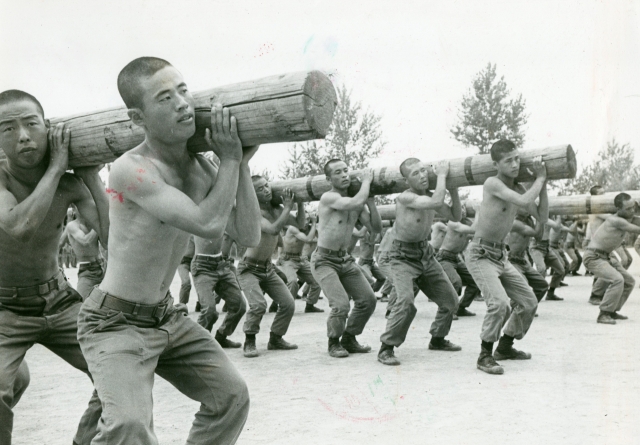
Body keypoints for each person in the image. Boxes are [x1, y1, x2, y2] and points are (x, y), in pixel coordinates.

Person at [77, 57, 260, 444]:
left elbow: (247, 235)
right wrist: (228, 158)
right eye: (164, 97)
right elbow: (207, 224)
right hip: (115, 321)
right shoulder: (131, 168)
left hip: (166, 316)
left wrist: (239, 165)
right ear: (137, 118)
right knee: (129, 427)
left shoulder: (199, 169)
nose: (182, 103)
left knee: (231, 397)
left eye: (183, 90)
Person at [0, 89, 108, 444]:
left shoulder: (70, 183)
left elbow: (111, 237)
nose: (24, 136)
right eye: (7, 129)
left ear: (47, 128)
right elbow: (18, 227)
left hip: (58, 299)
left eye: (31, 124)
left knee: (118, 371)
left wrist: (90, 178)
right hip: (4, 309)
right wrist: (58, 168)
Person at [465, 139, 548, 375]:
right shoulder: (493, 183)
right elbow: (523, 202)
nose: (514, 164)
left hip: (501, 256)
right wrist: (539, 179)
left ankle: (505, 346)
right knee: (499, 303)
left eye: (517, 158)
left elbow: (541, 215)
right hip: (480, 253)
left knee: (529, 301)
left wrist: (544, 184)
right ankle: (484, 355)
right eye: (508, 160)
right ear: (496, 164)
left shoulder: (520, 188)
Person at [378, 158, 462, 366]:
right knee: (405, 301)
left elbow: (455, 216)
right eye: (415, 173)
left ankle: (438, 339)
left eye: (423, 171)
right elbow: (435, 203)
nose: (423, 175)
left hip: (425, 254)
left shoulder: (432, 196)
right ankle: (386, 348)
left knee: (451, 301)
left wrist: (454, 191)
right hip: (401, 256)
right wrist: (442, 175)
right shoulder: (406, 197)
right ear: (406, 180)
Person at [311, 160, 381, 358]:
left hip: (345, 260)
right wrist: (366, 182)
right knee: (341, 305)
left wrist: (372, 203)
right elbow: (353, 202)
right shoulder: (329, 197)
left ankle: (349, 338)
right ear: (328, 179)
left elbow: (376, 228)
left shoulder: (357, 203)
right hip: (324, 260)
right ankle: (333, 342)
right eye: (338, 172)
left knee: (368, 300)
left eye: (345, 171)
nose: (344, 175)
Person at [238, 179, 304, 357]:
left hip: (268, 268)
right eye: (260, 189)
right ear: (253, 194)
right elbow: (274, 229)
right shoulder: (254, 212)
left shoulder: (276, 210)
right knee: (258, 305)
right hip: (249, 268)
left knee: (288, 303)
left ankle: (276, 339)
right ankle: (249, 341)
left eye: (267, 186)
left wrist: (300, 202)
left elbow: (300, 224)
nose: (266, 190)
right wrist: (288, 207)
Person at [582, 193, 640, 324]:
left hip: (606, 256)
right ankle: (603, 314)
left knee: (629, 281)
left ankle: (612, 310)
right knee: (617, 280)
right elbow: (637, 228)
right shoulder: (616, 220)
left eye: (633, 208)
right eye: (628, 209)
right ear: (618, 209)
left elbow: (637, 219)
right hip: (593, 257)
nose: (632, 211)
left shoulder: (627, 217)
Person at [434, 216, 480, 317]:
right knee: (455, 282)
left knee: (476, 281)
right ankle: (448, 310)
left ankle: (461, 308)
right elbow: (474, 229)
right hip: (444, 257)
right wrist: (478, 211)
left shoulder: (465, 226)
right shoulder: (453, 223)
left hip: (457, 258)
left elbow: (478, 231)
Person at [279, 214, 324, 313]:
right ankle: (286, 307)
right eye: (304, 219)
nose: (306, 222)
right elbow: (308, 239)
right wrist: (313, 224)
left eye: (308, 219)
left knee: (317, 280)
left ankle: (310, 305)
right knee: (292, 282)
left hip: (300, 259)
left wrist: (316, 224)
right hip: (288, 259)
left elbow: (322, 237)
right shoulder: (292, 228)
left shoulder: (308, 229)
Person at [63, 203, 106, 299]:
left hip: (101, 266)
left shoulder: (92, 224)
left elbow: (105, 244)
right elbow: (85, 241)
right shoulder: (72, 225)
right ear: (74, 210)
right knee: (82, 303)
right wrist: (99, 224)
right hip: (87, 270)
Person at [507, 214, 549, 303]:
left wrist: (540, 220)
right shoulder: (515, 222)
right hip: (512, 260)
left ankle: (528, 307)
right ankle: (517, 311)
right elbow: (536, 233)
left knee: (542, 285)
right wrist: (539, 216)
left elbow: (538, 237)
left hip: (523, 259)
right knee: (522, 288)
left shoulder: (528, 221)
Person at [529, 216, 568, 301]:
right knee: (541, 270)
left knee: (561, 270)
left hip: (546, 246)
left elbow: (557, 229)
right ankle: (534, 297)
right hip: (536, 246)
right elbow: (557, 227)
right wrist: (559, 215)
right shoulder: (539, 216)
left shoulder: (549, 217)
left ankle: (550, 293)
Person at [176, 235, 196, 310]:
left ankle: (201, 303)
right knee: (186, 283)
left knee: (201, 283)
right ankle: (182, 305)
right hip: (183, 262)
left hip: (196, 262)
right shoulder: (181, 233)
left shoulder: (198, 233)